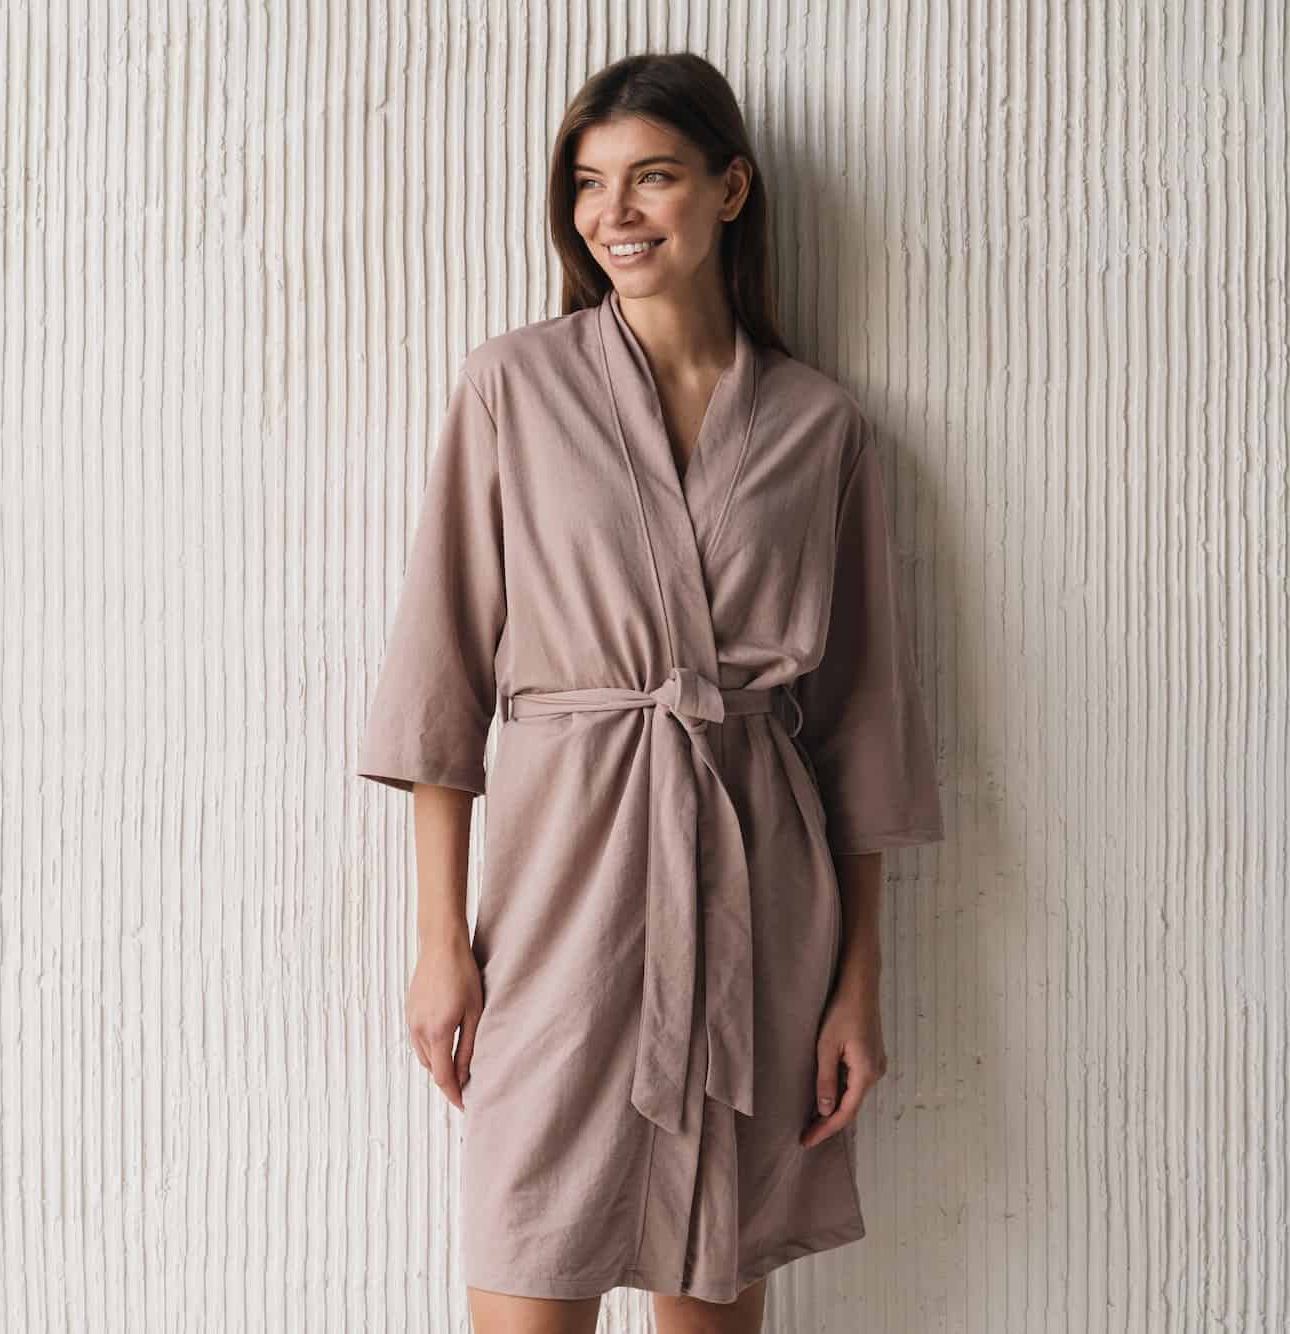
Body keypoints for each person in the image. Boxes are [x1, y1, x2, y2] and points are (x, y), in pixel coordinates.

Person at [356, 51, 946, 1334]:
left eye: (652, 179)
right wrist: (439, 943)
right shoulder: (512, 386)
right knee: (527, 1263)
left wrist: (857, 981)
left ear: (729, 189)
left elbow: (864, 728)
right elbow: (440, 675)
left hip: (753, 898)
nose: (612, 214)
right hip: (560, 892)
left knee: (710, 1289)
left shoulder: (818, 427)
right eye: (587, 184)